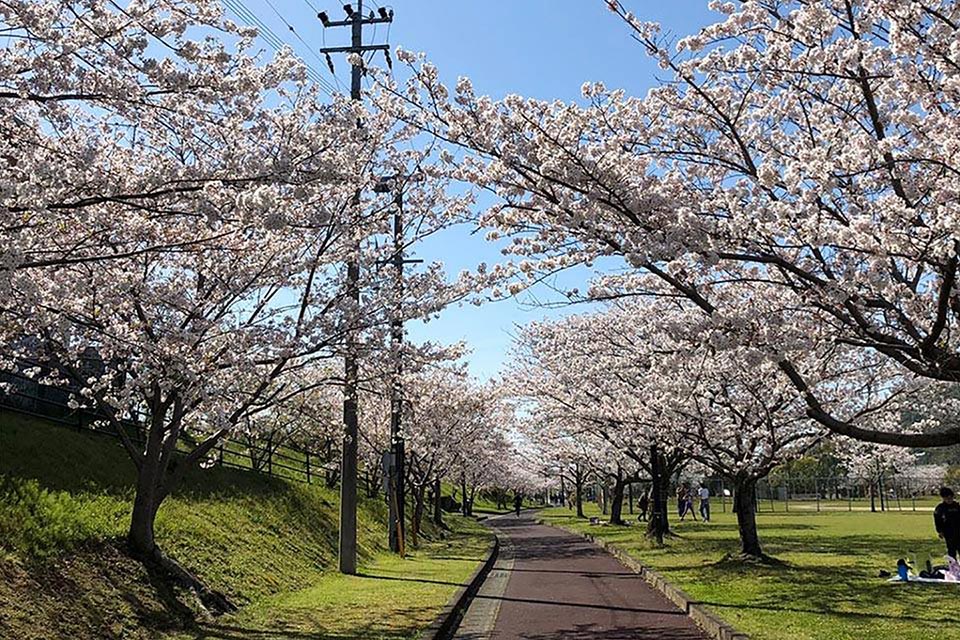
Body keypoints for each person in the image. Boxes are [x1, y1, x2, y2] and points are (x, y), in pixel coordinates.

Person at [934, 486, 960, 559]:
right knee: (951, 552)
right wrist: (940, 531)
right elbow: (937, 520)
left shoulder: (957, 506)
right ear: (943, 498)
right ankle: (953, 568)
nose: (949, 500)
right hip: (948, 533)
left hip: (959, 531)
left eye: (950, 497)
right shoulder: (940, 508)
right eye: (947, 498)